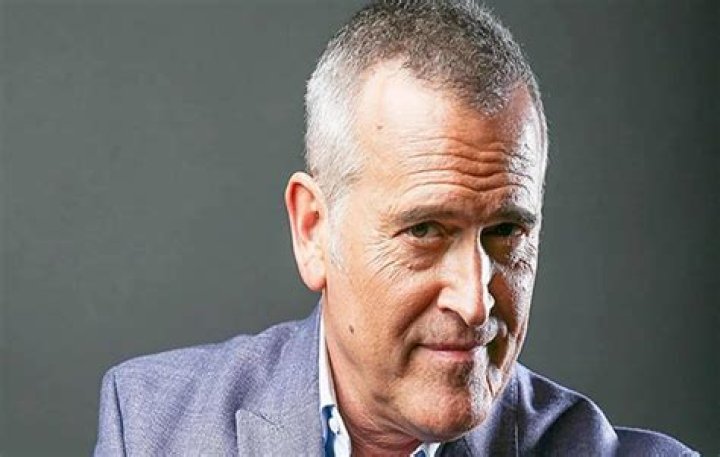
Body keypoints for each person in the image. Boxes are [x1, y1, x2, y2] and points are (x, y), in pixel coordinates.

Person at [94, 1, 697, 455]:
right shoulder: (152, 428)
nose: (474, 301)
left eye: (506, 232)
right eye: (426, 230)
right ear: (313, 230)